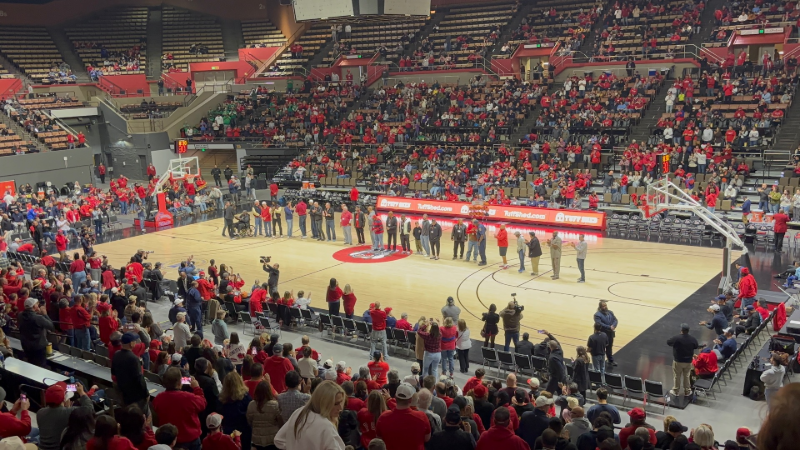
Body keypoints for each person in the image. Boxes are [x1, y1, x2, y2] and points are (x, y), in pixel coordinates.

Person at [274, 381, 347, 450]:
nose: (340, 408)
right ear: (324, 402)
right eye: (336, 404)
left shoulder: (299, 412)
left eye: (341, 402)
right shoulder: (326, 426)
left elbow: (278, 440)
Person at [152, 367, 207, 450]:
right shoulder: (189, 398)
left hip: (169, 440)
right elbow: (202, 403)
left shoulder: (158, 399)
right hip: (190, 440)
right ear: (179, 383)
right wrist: (197, 388)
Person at [38, 382, 93, 450]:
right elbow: (89, 409)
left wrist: (67, 408)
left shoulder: (40, 412)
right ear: (64, 399)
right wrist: (81, 392)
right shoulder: (70, 412)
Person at [376, 383, 431, 450]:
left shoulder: (383, 417)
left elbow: (379, 439)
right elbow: (427, 438)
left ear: (395, 397)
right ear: (410, 400)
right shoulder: (422, 416)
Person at [111, 333, 150, 411]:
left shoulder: (116, 354)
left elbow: (114, 372)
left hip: (124, 394)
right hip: (136, 396)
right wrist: (146, 394)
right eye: (135, 341)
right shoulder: (134, 359)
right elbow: (139, 379)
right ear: (131, 343)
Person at [18, 297, 54, 367]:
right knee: (40, 366)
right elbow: (51, 326)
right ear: (34, 307)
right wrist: (45, 314)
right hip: (38, 348)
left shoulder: (20, 315)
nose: (38, 305)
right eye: (37, 304)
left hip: (26, 346)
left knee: (31, 365)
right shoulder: (38, 318)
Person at [246, 381, 283, 450]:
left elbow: (249, 421)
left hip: (257, 439)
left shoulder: (251, 405)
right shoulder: (274, 405)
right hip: (272, 439)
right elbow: (280, 422)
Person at [666, 323, 698, 397]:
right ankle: (687, 391)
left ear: (681, 330)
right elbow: (696, 346)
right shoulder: (692, 339)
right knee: (687, 376)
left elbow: (668, 342)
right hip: (688, 361)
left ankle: (675, 391)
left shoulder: (677, 338)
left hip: (678, 361)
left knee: (677, 376)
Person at [593, 301, 617, 366]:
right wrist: (609, 327)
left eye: (605, 305)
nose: (605, 307)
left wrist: (614, 326)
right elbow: (599, 323)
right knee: (602, 348)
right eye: (603, 306)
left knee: (609, 347)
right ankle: (601, 361)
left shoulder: (610, 312)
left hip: (610, 333)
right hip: (602, 334)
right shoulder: (597, 315)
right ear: (600, 307)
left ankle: (610, 360)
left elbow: (615, 320)